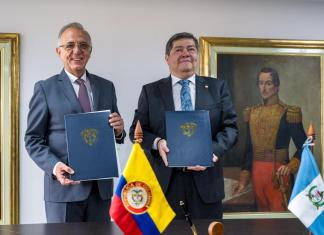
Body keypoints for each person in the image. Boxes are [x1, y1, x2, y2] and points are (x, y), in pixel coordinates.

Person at [129, 32, 238, 219]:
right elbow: (135, 132)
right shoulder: (150, 91)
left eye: (191, 49)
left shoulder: (217, 88)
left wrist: (211, 152)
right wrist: (157, 142)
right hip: (166, 184)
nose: (185, 53)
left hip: (206, 183)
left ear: (197, 55)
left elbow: (231, 129)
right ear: (167, 58)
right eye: (178, 49)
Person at [25, 22, 125, 223]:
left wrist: (119, 130)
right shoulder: (45, 88)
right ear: (58, 51)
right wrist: (54, 166)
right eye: (70, 45)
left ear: (90, 51)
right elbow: (33, 139)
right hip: (64, 190)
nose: (77, 51)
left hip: (101, 190)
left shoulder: (106, 87)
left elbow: (114, 132)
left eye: (83, 45)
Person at [234, 67, 307, 211]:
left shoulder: (289, 112)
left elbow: (304, 146)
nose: (264, 88)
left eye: (268, 83)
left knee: (279, 223)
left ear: (277, 86)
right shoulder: (252, 113)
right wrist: (243, 180)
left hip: (278, 173)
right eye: (261, 83)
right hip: (256, 174)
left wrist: (290, 167)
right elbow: (249, 150)